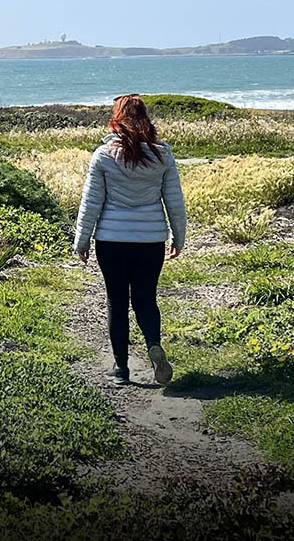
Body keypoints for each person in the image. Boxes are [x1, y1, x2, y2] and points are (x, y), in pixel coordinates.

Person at [73, 94, 187, 386]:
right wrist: (178, 236)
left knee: (117, 301)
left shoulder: (104, 156)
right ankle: (153, 347)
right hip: (150, 241)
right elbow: (174, 201)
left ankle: (121, 369)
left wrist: (82, 241)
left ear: (117, 118)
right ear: (146, 118)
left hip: (112, 241)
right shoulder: (162, 155)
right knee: (146, 299)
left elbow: (91, 203)